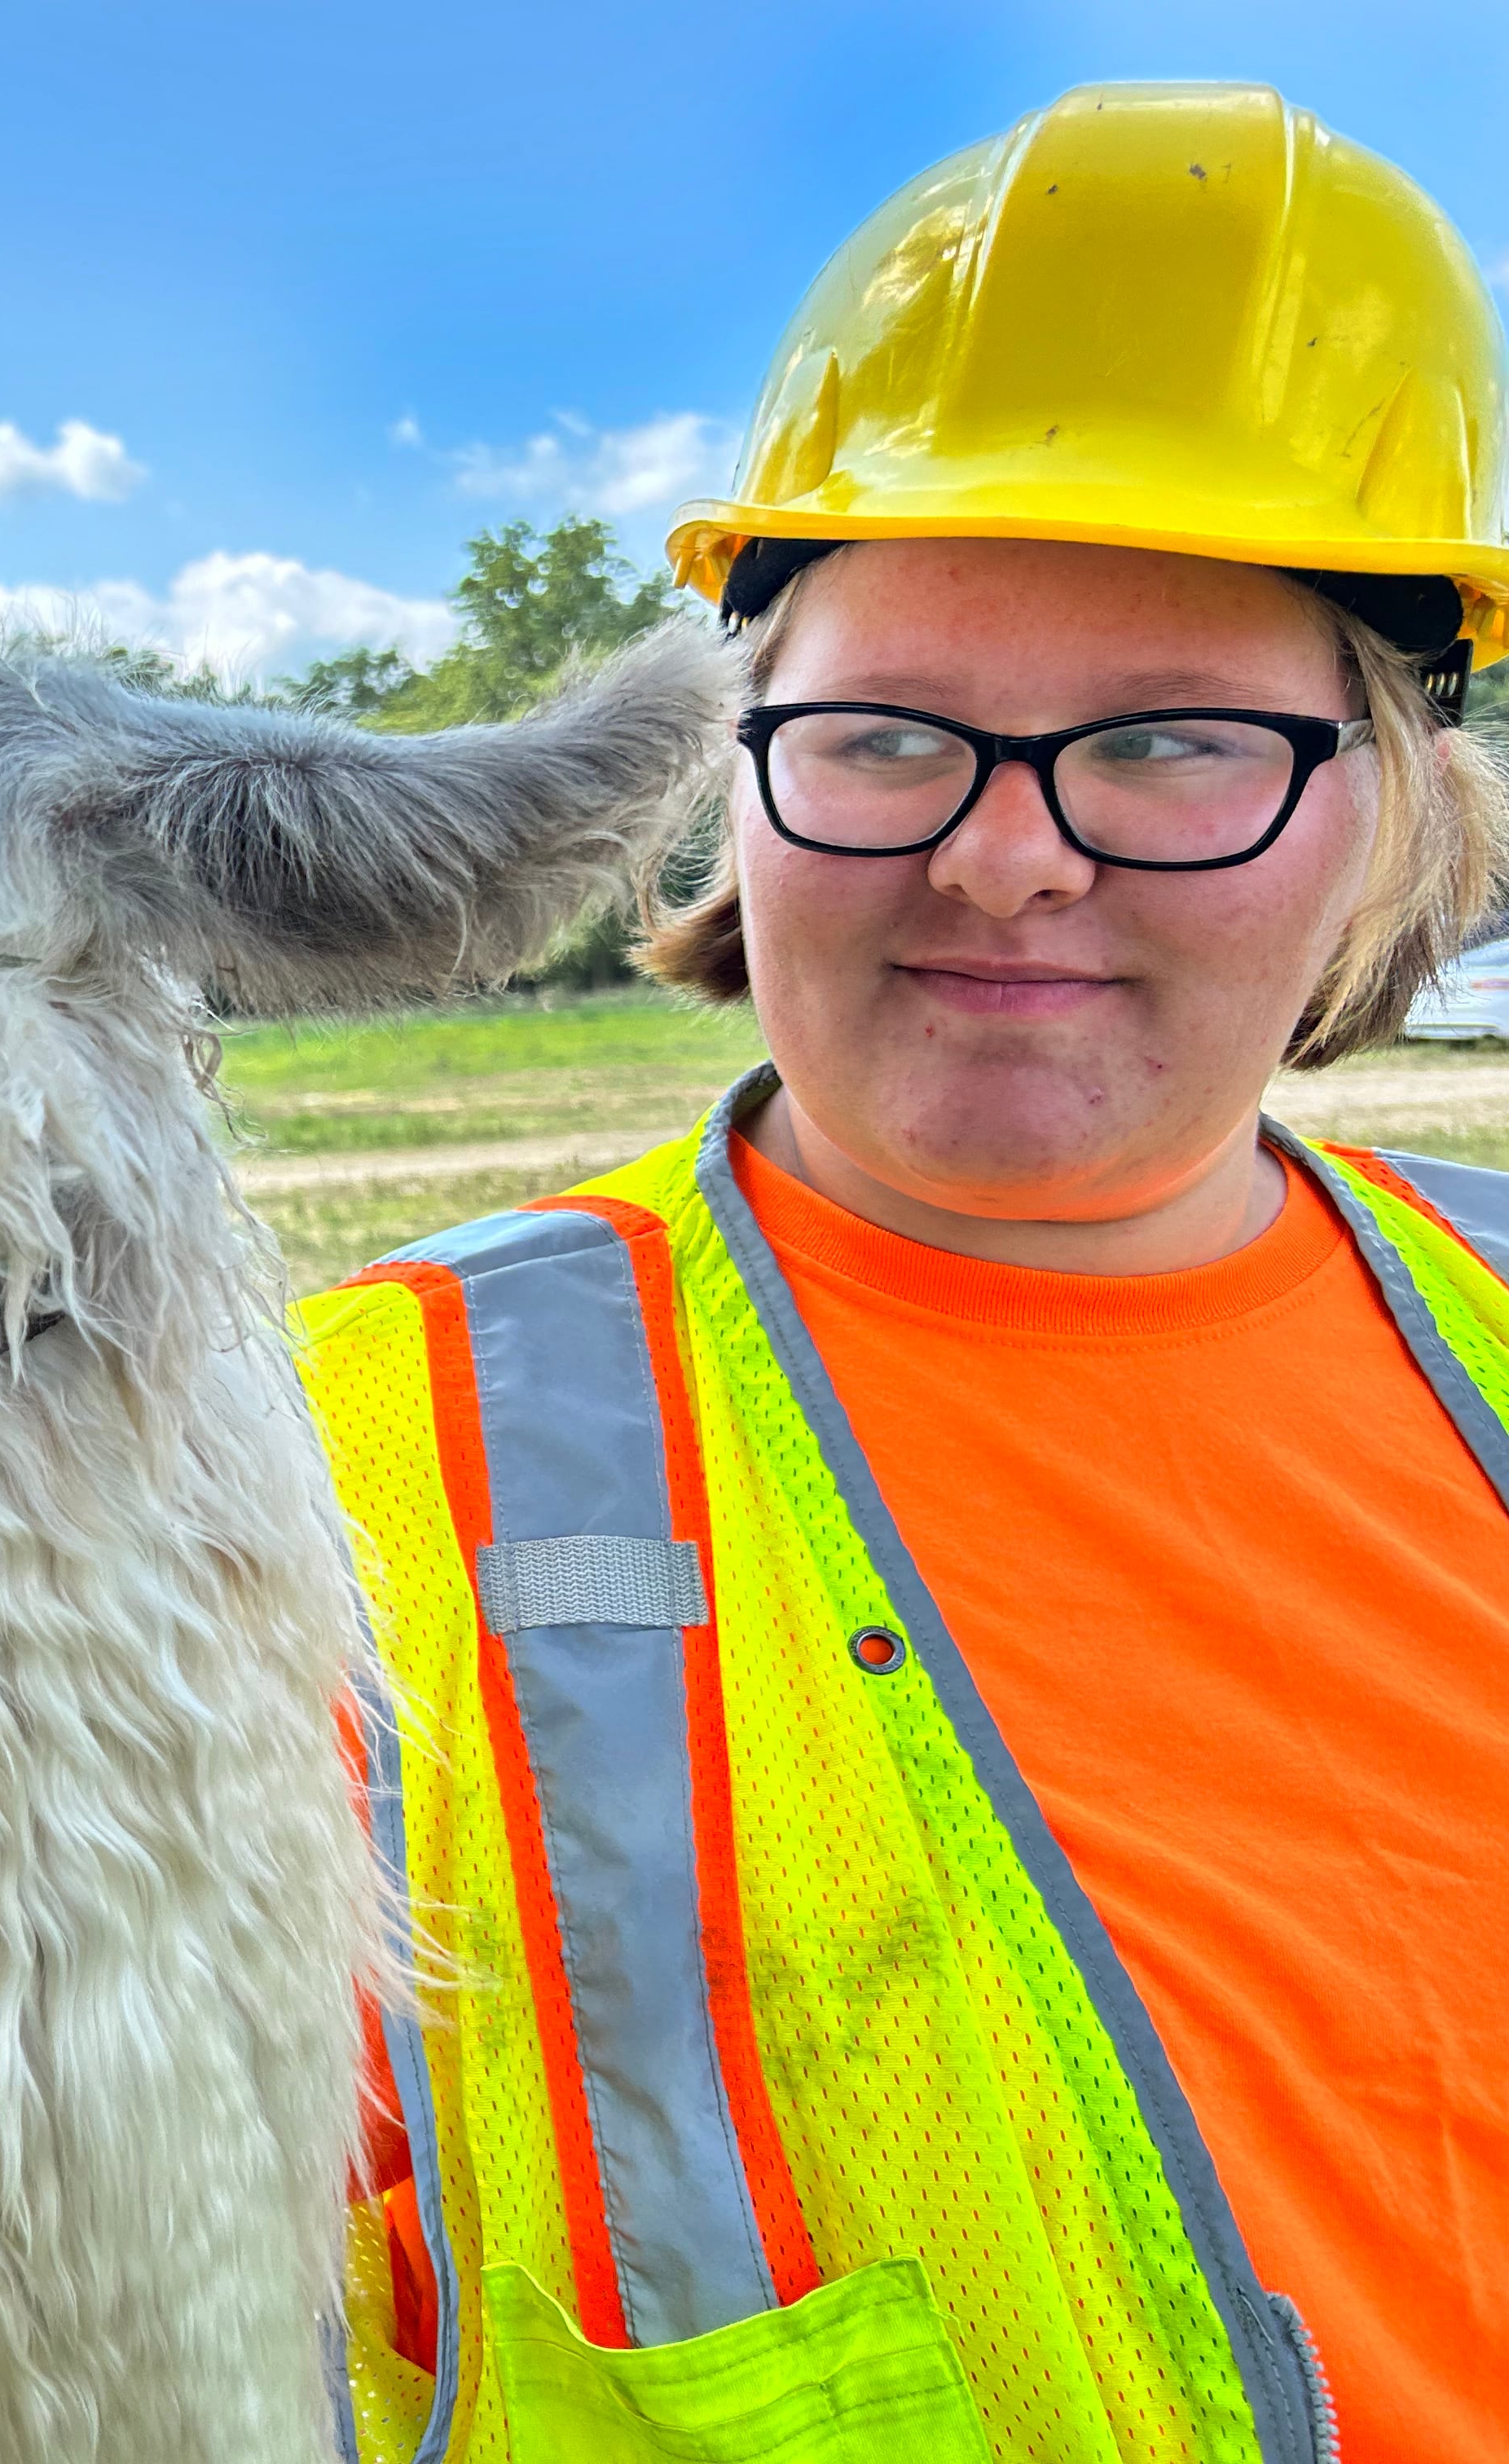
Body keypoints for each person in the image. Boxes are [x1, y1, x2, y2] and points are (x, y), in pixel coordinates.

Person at [310, 79, 1509, 2464]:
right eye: (885, 738)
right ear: (739, 772)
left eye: (1172, 744)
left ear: (1389, 793)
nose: (1003, 865)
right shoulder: (334, 1460)